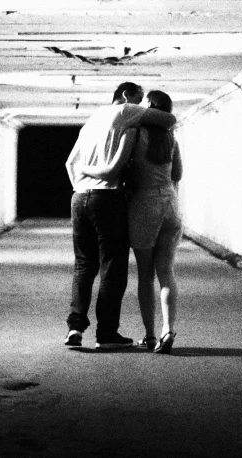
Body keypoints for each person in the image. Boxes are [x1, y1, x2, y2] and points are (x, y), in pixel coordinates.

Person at [64, 82, 177, 350]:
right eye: (138, 100)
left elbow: (70, 163)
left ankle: (75, 328)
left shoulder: (90, 122)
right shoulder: (126, 111)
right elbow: (170, 119)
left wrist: (81, 184)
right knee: (112, 267)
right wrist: (98, 176)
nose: (141, 107)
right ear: (126, 96)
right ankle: (106, 334)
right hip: (107, 197)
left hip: (78, 197)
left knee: (83, 266)